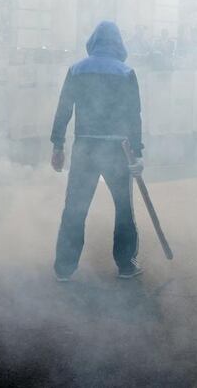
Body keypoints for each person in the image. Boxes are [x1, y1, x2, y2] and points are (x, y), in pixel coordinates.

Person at [50, 21, 145, 281]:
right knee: (124, 208)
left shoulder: (76, 70)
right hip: (118, 148)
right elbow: (133, 116)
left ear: (93, 42)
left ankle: (64, 268)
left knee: (75, 207)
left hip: (85, 147)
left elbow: (63, 110)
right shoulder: (127, 73)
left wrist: (58, 145)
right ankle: (126, 265)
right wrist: (137, 152)